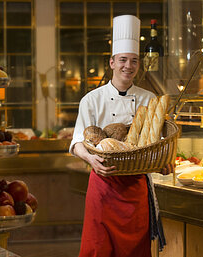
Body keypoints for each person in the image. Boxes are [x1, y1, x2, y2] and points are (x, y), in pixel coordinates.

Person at [70, 15, 170, 257]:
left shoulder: (149, 100)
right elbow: (76, 144)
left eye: (134, 61)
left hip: (136, 189)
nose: (129, 66)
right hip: (103, 185)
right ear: (112, 62)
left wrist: (163, 162)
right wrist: (92, 160)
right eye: (123, 60)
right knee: (98, 249)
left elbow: (155, 144)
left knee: (135, 251)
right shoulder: (91, 99)